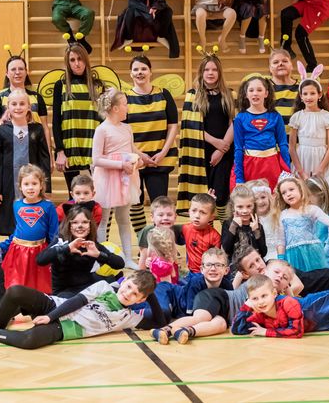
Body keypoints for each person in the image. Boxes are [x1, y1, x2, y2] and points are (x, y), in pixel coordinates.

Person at [0, 271, 165, 349]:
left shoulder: (128, 317)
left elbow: (159, 322)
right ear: (126, 280)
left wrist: (151, 292)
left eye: (136, 294)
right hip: (55, 306)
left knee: (29, 341)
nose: (128, 293)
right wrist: (49, 315)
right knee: (16, 291)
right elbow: (77, 300)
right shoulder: (105, 287)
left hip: (66, 329)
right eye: (129, 286)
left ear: (141, 299)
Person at [125, 54, 180, 237]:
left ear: (150, 72)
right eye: (136, 69)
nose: (140, 72)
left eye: (143, 69)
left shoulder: (163, 94)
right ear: (130, 74)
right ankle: (143, 243)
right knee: (136, 203)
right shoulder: (124, 98)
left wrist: (163, 151)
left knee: (160, 205)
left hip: (159, 159)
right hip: (135, 160)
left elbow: (173, 125)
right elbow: (122, 132)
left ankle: (162, 241)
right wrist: (139, 154)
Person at [175, 54, 236, 217]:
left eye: (214, 69)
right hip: (200, 152)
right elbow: (190, 125)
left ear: (220, 72)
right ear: (201, 72)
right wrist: (215, 142)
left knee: (221, 197)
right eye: (207, 69)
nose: (210, 73)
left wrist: (222, 149)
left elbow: (234, 123)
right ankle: (206, 236)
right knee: (204, 199)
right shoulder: (193, 94)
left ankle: (226, 235)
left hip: (225, 151)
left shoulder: (229, 94)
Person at [0, 89, 52, 236]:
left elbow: (44, 159)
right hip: (9, 183)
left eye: (22, 104)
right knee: (11, 222)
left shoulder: (37, 129)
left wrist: (47, 187)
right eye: (14, 104)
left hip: (32, 184)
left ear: (29, 107)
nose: (18, 107)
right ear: (8, 108)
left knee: (32, 221)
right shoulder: (2, 131)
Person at [90, 88, 139, 264]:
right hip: (107, 179)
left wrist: (141, 158)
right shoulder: (102, 130)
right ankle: (103, 259)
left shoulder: (127, 128)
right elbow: (96, 159)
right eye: (125, 104)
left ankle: (128, 258)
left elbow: (131, 149)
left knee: (124, 219)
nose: (128, 108)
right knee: (103, 220)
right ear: (116, 108)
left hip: (125, 178)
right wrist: (120, 164)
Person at [276, 175, 329, 272]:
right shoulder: (283, 215)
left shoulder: (311, 209)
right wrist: (280, 258)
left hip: (312, 252)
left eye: (291, 189)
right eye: (284, 192)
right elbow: (281, 240)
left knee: (317, 276)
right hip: (293, 255)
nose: (288, 194)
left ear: (301, 190)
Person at [36, 205, 125, 297]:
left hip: (87, 287)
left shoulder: (92, 245)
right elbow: (40, 260)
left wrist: (98, 254)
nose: (80, 226)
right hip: (64, 292)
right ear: (69, 225)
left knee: (117, 288)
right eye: (75, 222)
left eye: (85, 222)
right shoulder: (60, 241)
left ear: (90, 225)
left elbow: (120, 264)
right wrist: (67, 248)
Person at [50, 43, 104, 188]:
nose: (77, 63)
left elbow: (104, 121)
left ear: (86, 60)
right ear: (67, 63)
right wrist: (60, 151)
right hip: (70, 149)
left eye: (80, 59)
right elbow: (56, 121)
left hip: (94, 149)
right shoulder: (60, 86)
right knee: (74, 197)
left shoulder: (97, 85)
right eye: (72, 60)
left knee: (98, 196)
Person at [2, 165, 58, 293]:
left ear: (41, 185)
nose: (30, 187)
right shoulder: (17, 205)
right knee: (17, 282)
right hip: (18, 251)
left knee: (39, 284)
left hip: (40, 250)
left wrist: (52, 252)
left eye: (34, 183)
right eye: (26, 184)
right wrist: (4, 245)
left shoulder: (48, 206)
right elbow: (18, 229)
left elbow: (54, 233)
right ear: (20, 187)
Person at [233, 76, 291, 188]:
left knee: (272, 200)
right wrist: (239, 177)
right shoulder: (240, 118)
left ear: (266, 93)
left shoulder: (275, 116)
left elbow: (283, 145)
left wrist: (287, 172)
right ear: (246, 94)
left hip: (272, 165)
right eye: (251, 90)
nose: (255, 93)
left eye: (259, 90)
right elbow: (238, 148)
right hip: (250, 165)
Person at [0, 53, 48, 138]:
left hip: (34, 148)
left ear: (26, 72)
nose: (17, 72)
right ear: (7, 73)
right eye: (13, 69)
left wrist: (48, 151)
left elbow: (45, 129)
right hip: (8, 149)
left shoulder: (37, 98)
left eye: (21, 69)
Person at [289, 79, 329, 187]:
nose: (308, 97)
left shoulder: (327, 117)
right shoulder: (297, 117)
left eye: (312, 93)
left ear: (319, 94)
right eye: (305, 94)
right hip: (302, 158)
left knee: (319, 193)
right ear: (301, 96)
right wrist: (300, 171)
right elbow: (291, 147)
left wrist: (320, 169)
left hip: (320, 159)